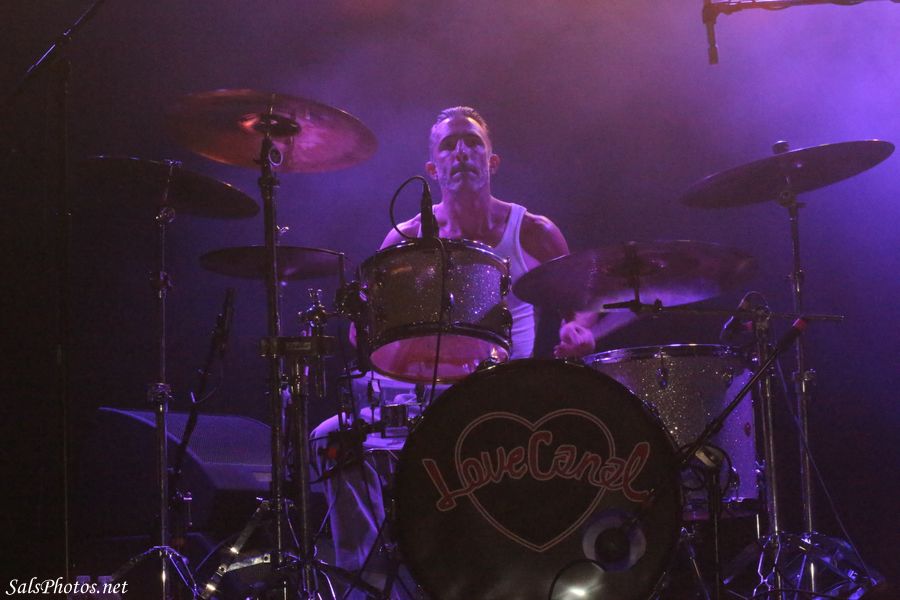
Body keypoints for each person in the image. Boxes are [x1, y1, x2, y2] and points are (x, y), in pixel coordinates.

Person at [312, 106, 604, 597]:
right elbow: (369, 330)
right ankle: (372, 588)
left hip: (502, 400)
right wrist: (364, 326)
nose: (462, 152)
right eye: (449, 145)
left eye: (472, 143)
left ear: (493, 161)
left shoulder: (531, 230)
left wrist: (580, 330)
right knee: (331, 439)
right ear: (433, 168)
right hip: (417, 399)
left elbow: (587, 297)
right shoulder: (405, 238)